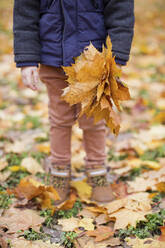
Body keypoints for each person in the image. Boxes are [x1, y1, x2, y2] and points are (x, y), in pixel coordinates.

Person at [13, 0, 134, 204]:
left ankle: (97, 170)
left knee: (94, 118)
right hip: (52, 58)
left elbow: (120, 10)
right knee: (59, 118)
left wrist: (118, 53)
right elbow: (25, 14)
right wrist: (27, 59)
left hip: (93, 59)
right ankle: (59, 171)